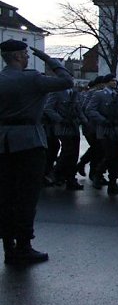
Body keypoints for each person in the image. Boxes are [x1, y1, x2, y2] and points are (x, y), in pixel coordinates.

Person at [1, 40, 73, 265]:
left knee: (5, 195)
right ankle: (23, 246)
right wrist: (49, 59)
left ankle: (8, 246)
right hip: (28, 142)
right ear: (19, 56)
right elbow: (66, 80)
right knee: (26, 196)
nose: (27, 57)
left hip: (2, 141)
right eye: (25, 54)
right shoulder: (31, 79)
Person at [86, 73, 118, 194]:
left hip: (115, 129)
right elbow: (90, 109)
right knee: (109, 156)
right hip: (105, 130)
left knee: (115, 157)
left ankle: (112, 184)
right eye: (112, 81)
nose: (115, 82)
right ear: (107, 82)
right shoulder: (99, 94)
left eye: (115, 81)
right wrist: (103, 120)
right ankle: (98, 175)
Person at [44, 83, 87, 190]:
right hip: (62, 126)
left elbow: (79, 109)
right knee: (68, 150)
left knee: (74, 154)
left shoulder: (74, 93)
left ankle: (70, 178)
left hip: (74, 125)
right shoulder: (56, 93)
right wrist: (60, 119)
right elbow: (48, 108)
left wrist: (85, 121)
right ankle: (55, 172)